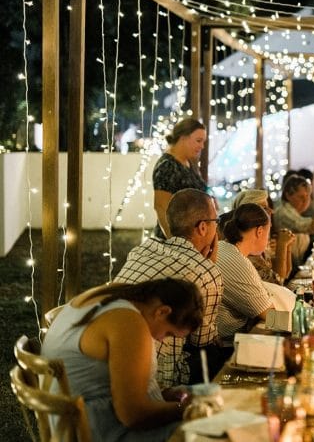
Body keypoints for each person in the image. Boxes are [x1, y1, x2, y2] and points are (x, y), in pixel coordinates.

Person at [41, 278, 203, 442]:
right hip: (94, 430)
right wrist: (185, 409)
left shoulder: (113, 294)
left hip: (72, 421)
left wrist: (165, 395)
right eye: (169, 333)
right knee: (211, 432)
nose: (162, 339)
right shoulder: (127, 322)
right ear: (162, 311)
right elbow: (133, 415)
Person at [115, 188, 223, 388]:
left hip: (112, 356)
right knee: (217, 356)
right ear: (202, 227)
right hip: (155, 377)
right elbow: (203, 341)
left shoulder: (141, 250)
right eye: (215, 222)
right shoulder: (204, 273)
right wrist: (210, 267)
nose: (217, 229)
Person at [217, 203, 295, 344]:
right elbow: (271, 316)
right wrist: (308, 321)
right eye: (268, 231)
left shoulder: (223, 247)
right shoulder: (238, 263)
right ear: (259, 231)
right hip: (227, 348)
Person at [152, 118, 208, 239]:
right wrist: (174, 241)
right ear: (183, 138)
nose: (202, 146)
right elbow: (161, 206)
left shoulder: (188, 162)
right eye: (198, 141)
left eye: (203, 142)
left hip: (193, 235)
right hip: (177, 239)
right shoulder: (167, 165)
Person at [231, 189, 294, 285]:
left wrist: (287, 245)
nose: (271, 211)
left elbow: (286, 274)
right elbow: (278, 282)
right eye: (264, 208)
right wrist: (282, 245)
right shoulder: (247, 250)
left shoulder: (260, 244)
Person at [273, 175, 314, 264]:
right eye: (301, 197)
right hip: (287, 268)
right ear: (288, 195)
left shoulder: (295, 212)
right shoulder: (283, 212)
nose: (305, 201)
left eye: (307, 196)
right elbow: (303, 225)